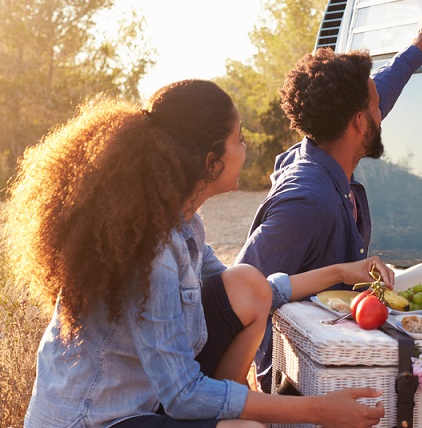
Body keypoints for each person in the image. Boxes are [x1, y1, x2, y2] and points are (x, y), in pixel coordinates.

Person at [6, 80, 394, 428]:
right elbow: (182, 393)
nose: (248, 148)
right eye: (239, 139)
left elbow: (259, 289)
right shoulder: (152, 255)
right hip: (97, 419)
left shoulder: (185, 225)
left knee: (247, 284)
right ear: (211, 162)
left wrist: (343, 269)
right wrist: (317, 410)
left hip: (148, 403)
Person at [235, 0, 422, 391]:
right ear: (359, 123)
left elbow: (380, 91)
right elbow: (238, 293)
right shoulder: (308, 202)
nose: (382, 113)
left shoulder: (330, 148)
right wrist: (238, 397)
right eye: (375, 109)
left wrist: (421, 43)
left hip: (342, 334)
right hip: (305, 374)